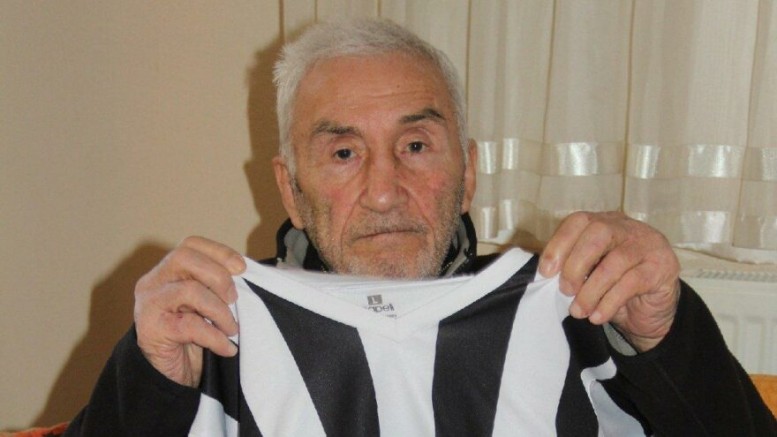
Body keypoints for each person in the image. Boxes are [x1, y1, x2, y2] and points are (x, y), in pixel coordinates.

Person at [64, 17, 775, 436]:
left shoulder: (580, 311)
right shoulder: (212, 336)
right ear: (290, 188)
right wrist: (148, 383)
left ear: (468, 172)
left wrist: (667, 334)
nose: (383, 191)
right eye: (343, 153)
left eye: (415, 145)